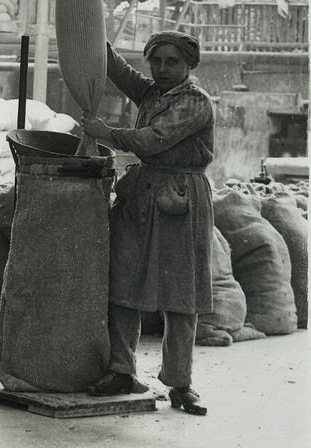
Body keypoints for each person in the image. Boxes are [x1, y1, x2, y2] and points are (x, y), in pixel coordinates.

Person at [81, 30, 214, 417]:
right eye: (155, 61)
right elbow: (120, 73)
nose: (161, 69)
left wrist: (108, 134)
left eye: (172, 62)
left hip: (180, 197)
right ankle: (121, 370)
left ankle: (180, 383)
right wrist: (92, 30)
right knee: (125, 282)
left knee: (180, 293)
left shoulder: (195, 101)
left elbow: (155, 139)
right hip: (142, 192)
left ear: (189, 66)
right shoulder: (152, 92)